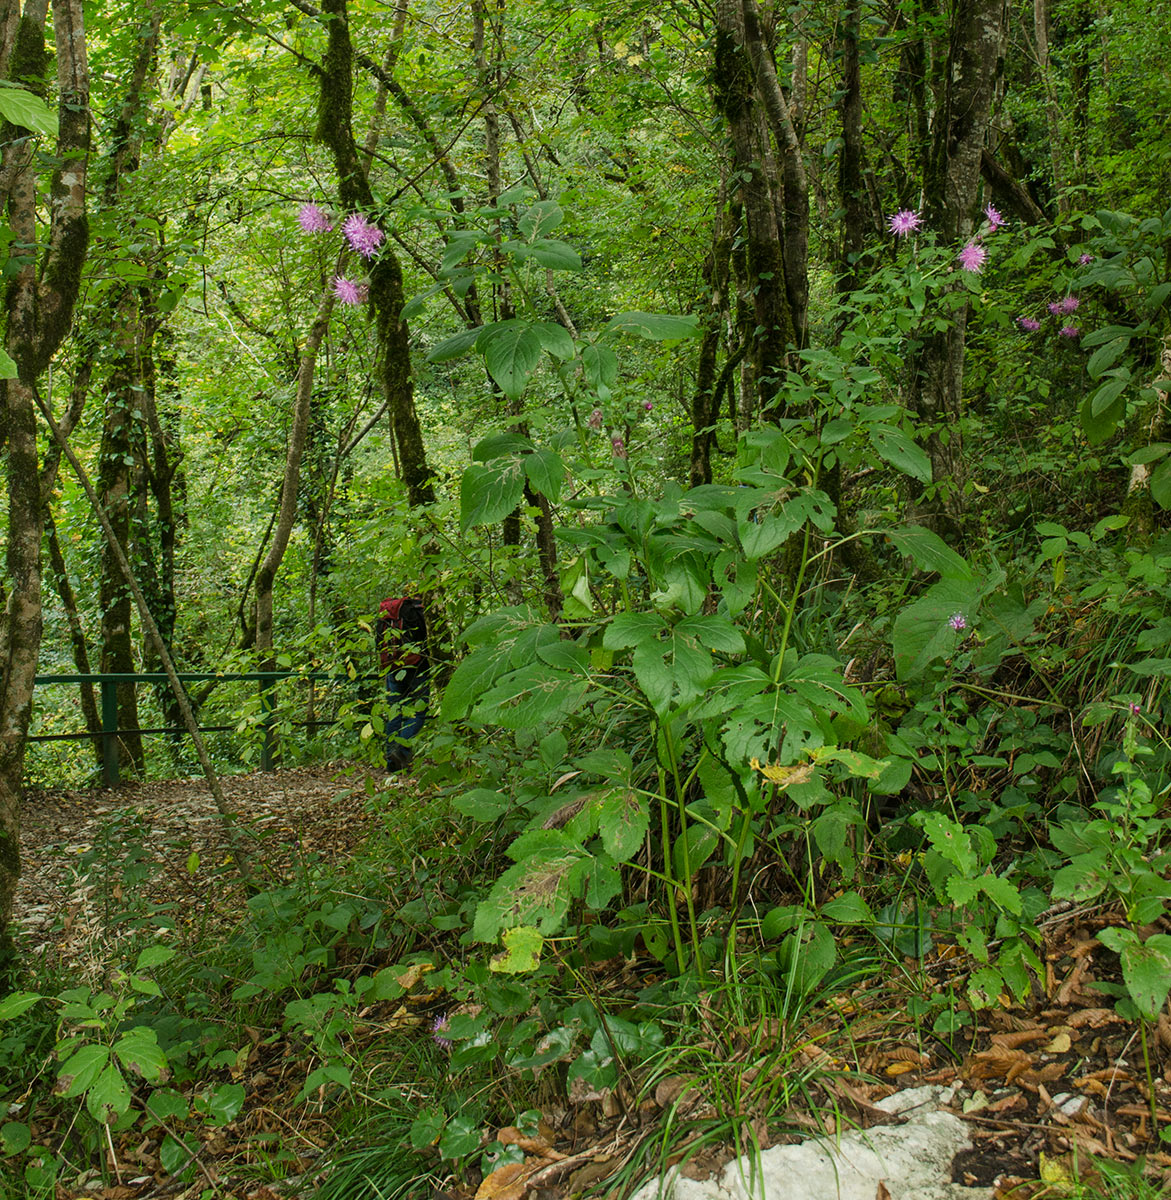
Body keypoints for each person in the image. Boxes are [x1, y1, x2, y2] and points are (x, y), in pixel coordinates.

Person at [376, 592, 429, 771]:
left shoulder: (387, 615)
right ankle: (401, 749)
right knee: (419, 712)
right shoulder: (416, 613)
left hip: (392, 666)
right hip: (416, 667)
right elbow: (423, 639)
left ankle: (392, 763)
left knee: (394, 713)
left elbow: (378, 642)